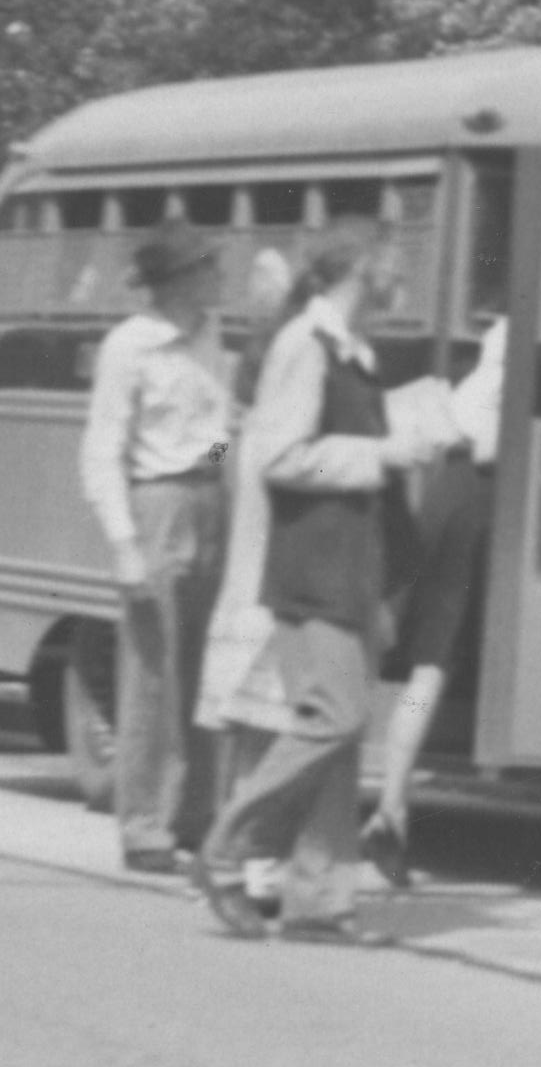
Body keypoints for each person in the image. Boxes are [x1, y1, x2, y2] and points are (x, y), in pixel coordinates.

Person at [194, 224, 452, 941]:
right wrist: (384, 451)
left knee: (337, 732)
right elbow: (269, 451)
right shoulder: (299, 347)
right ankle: (229, 849)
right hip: (307, 566)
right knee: (330, 717)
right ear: (363, 274)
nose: (403, 290)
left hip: (349, 567)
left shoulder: (350, 353)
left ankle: (320, 900)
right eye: (395, 274)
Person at [78, 222, 238, 873]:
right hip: (157, 501)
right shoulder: (130, 347)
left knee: (206, 667)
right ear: (178, 281)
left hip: (209, 495)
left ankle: (196, 816)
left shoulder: (210, 337)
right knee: (152, 673)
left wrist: (219, 460)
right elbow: (101, 451)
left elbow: (221, 425)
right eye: (207, 268)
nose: (218, 278)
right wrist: (125, 544)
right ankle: (143, 825)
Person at [361, 311, 510, 891]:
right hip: (476, 504)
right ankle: (390, 811)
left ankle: (390, 808)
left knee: (430, 667)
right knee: (432, 668)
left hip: (451, 496)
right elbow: (491, 446)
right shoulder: (525, 353)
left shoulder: (497, 343)